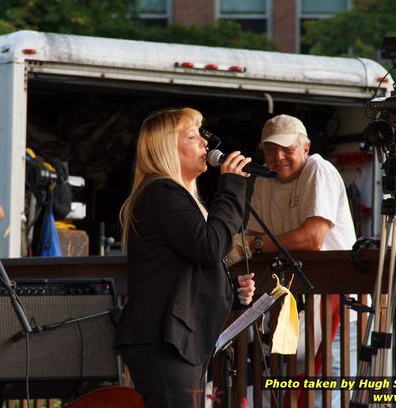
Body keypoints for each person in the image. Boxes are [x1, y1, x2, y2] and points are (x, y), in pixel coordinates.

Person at [114, 107, 256, 408]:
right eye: (193, 137)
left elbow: (186, 269)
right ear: (167, 148)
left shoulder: (173, 196)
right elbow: (209, 246)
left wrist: (230, 293)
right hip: (163, 340)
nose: (206, 144)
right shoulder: (160, 192)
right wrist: (230, 187)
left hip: (176, 339)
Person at [244, 114, 357, 404]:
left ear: (305, 148)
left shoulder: (319, 168)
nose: (278, 156)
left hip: (339, 308)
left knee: (328, 397)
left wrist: (257, 243)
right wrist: (252, 243)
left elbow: (313, 238)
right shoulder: (263, 179)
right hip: (293, 309)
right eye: (270, 149)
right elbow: (251, 242)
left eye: (287, 149)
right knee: (294, 396)